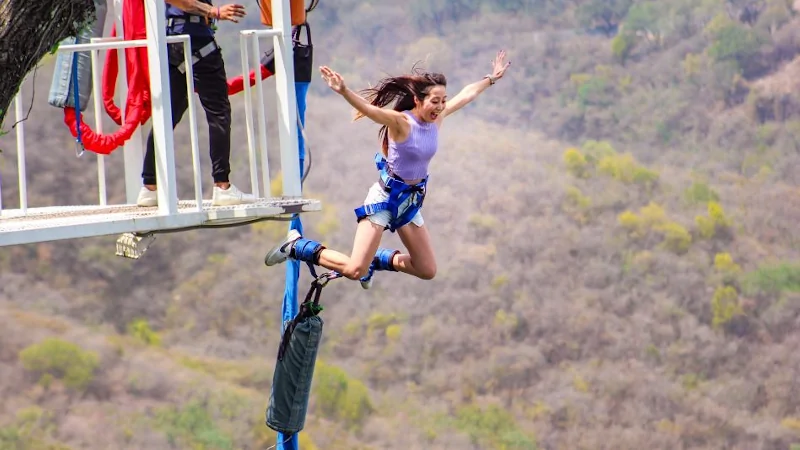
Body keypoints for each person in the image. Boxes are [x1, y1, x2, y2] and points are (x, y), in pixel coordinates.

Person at [264, 50, 512, 288]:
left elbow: (467, 95)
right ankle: (297, 247)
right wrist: (344, 91)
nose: (440, 106)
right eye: (435, 101)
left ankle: (378, 259)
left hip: (410, 201)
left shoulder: (438, 117)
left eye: (443, 101)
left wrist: (491, 78)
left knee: (427, 269)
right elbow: (371, 111)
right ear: (418, 100)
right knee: (354, 270)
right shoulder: (402, 122)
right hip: (385, 199)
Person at [137, 0, 256, 207]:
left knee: (170, 112)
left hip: (172, 40)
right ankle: (222, 187)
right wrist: (213, 11)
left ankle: (150, 187)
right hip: (195, 39)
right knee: (218, 111)